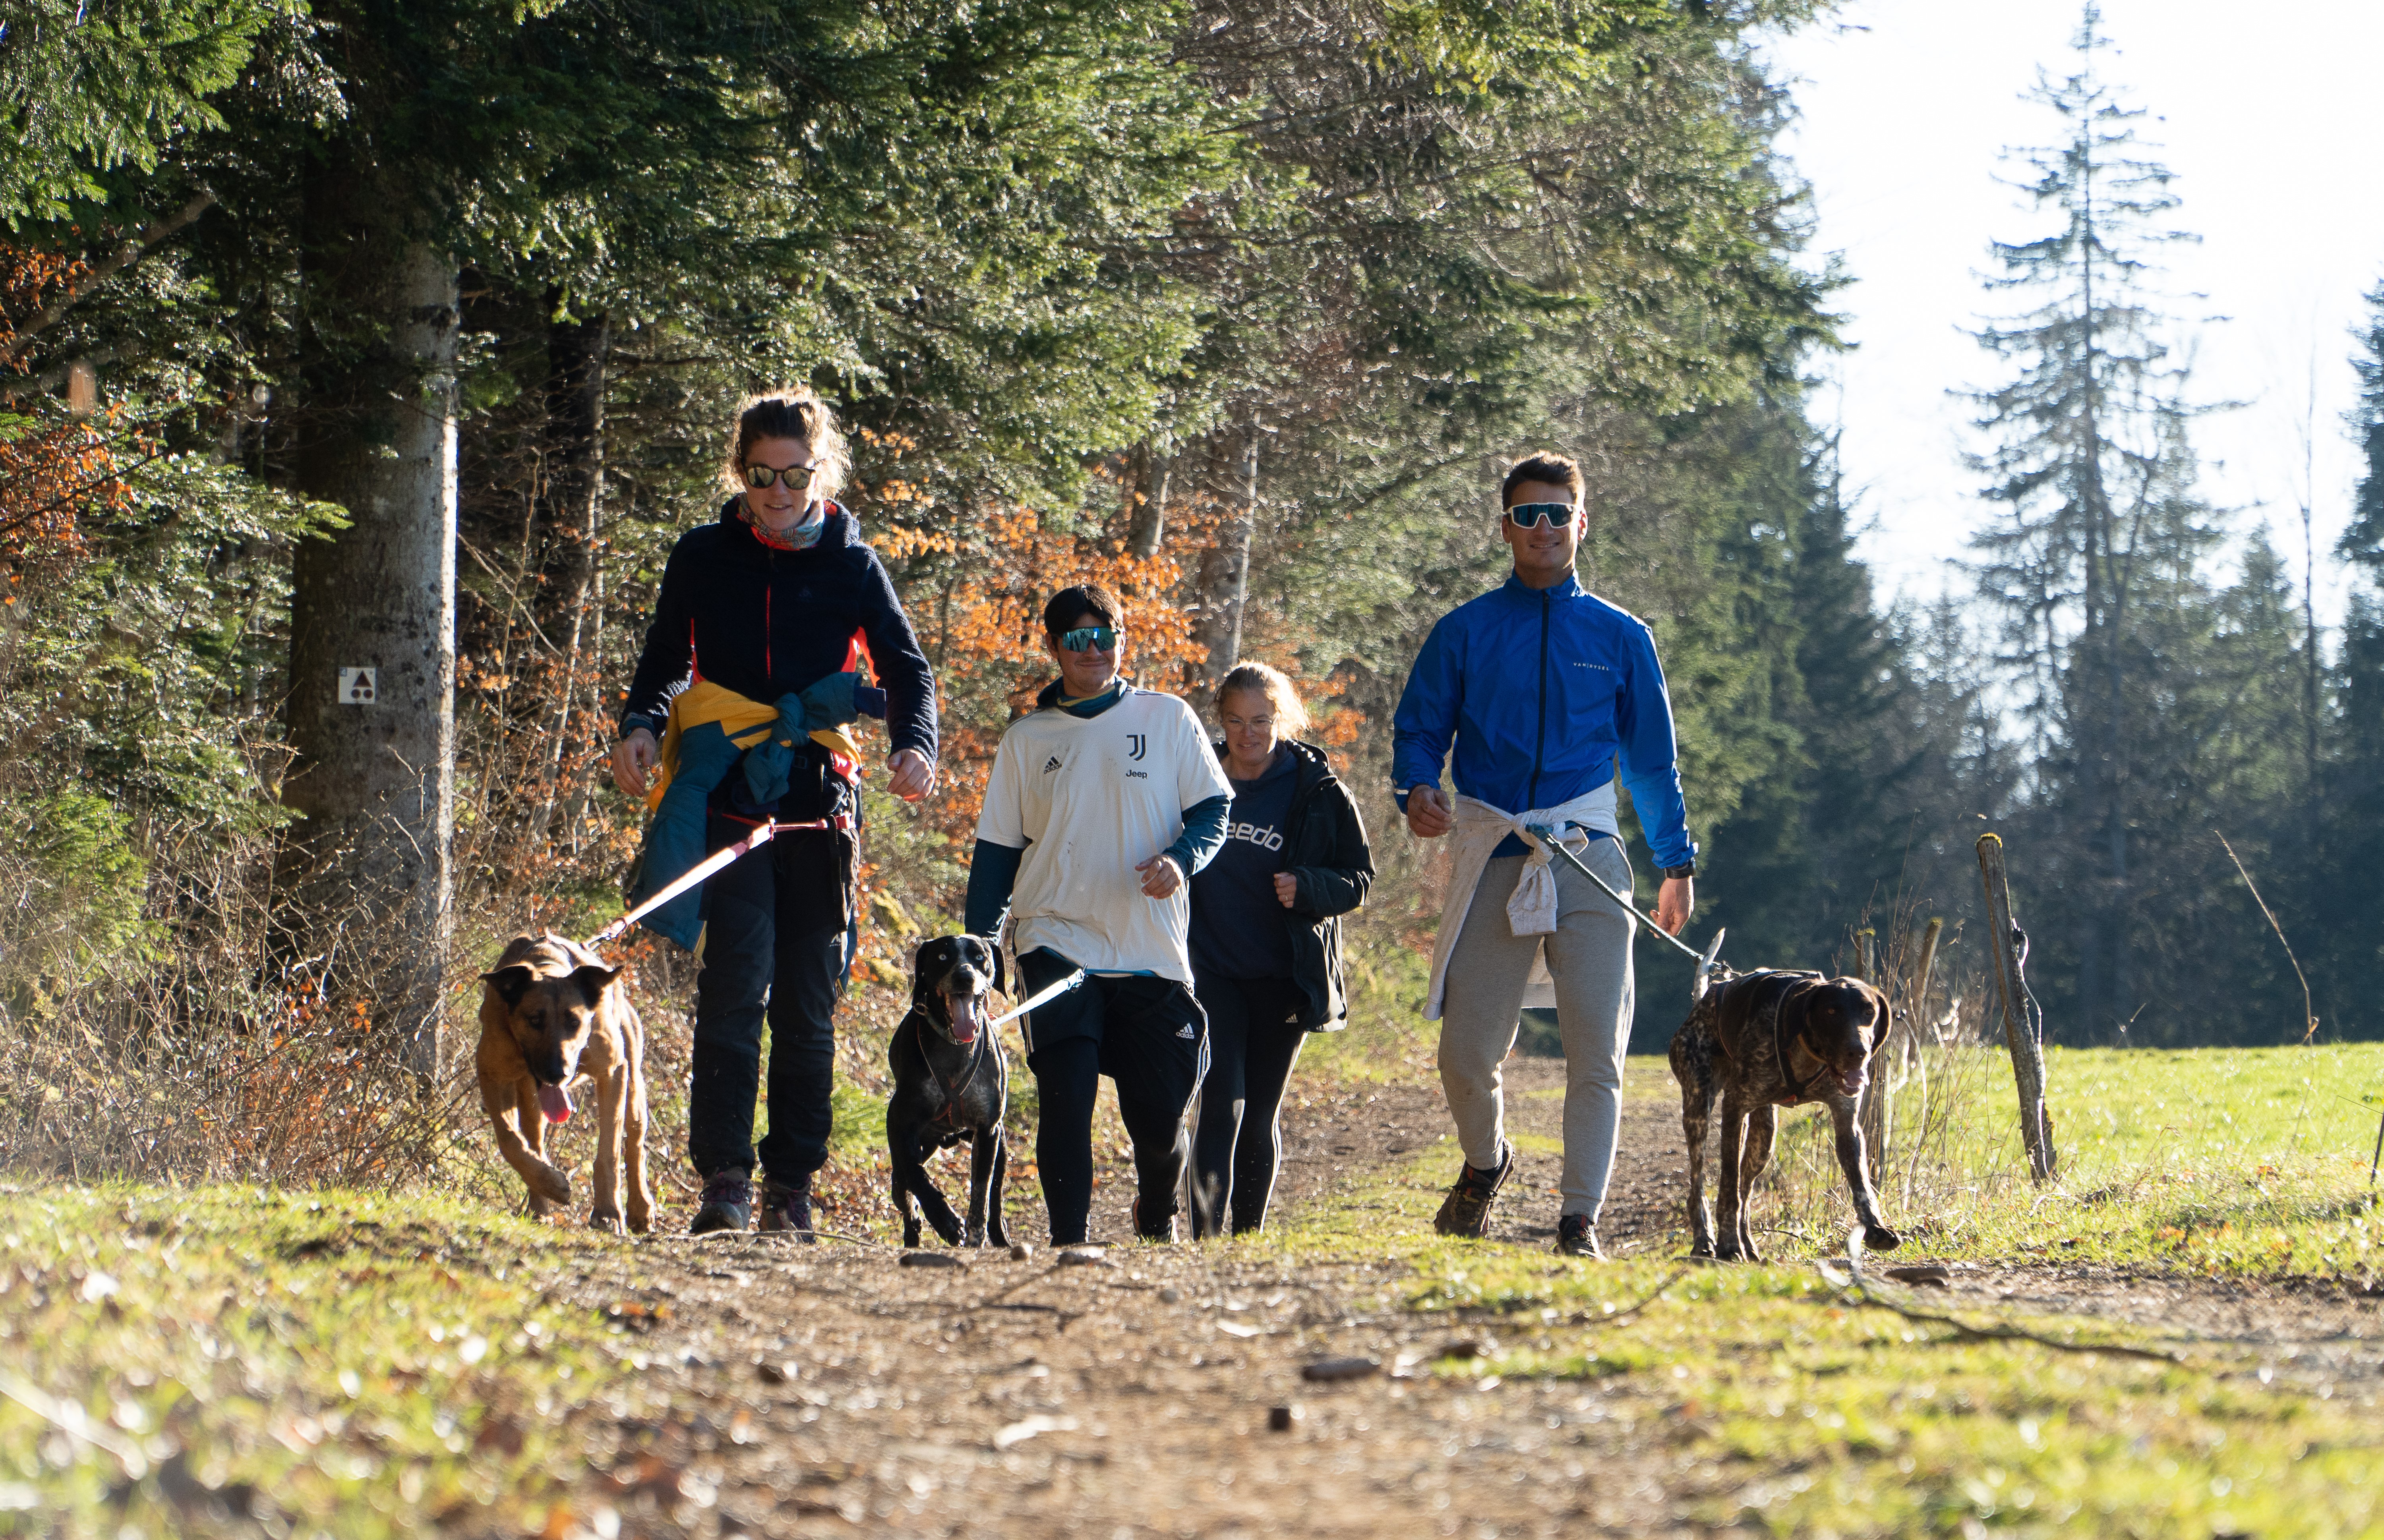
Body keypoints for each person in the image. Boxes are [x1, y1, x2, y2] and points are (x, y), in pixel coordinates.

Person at [611, 388, 938, 1236]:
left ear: (820, 472)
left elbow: (909, 671)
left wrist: (915, 746)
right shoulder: (703, 556)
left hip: (818, 795)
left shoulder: (852, 564)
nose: (779, 490)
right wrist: (642, 725)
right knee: (732, 985)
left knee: (807, 996)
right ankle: (723, 1176)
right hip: (729, 790)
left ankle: (791, 1184)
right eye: (762, 474)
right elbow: (662, 662)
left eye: (795, 474)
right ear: (741, 471)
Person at [1391, 450, 1697, 1259]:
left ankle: (1578, 1220)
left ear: (1581, 523)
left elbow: (1652, 763)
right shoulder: (1463, 632)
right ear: (1505, 528)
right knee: (1465, 1053)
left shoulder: (1622, 636)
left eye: (1558, 513)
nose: (1544, 528)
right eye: (1528, 515)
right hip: (1494, 847)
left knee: (1597, 1047)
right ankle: (1486, 1165)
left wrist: (1675, 863)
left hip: (1591, 855)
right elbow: (1420, 729)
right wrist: (1415, 786)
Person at [964, 584, 1232, 1245]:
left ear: (1123, 641)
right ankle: (1070, 1240)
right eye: (1077, 639)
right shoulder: (1027, 740)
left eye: (1105, 636)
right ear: (1053, 648)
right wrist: (981, 945)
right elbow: (998, 851)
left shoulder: (1168, 718)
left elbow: (1213, 809)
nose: (1094, 650)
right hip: (1054, 937)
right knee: (1067, 1092)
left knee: (1159, 1115)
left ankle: (1157, 1207)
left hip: (1150, 947)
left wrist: (1182, 857)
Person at [1186, 663, 1374, 1236]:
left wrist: (1309, 886)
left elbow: (1359, 876)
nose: (1249, 734)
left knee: (1260, 1111)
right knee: (1221, 1102)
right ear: (1221, 718)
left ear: (1282, 718)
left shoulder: (1317, 788)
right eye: (1237, 721)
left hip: (1284, 974)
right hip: (1208, 969)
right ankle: (1207, 1240)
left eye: (1262, 720)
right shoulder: (1193, 776)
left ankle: (1247, 1238)